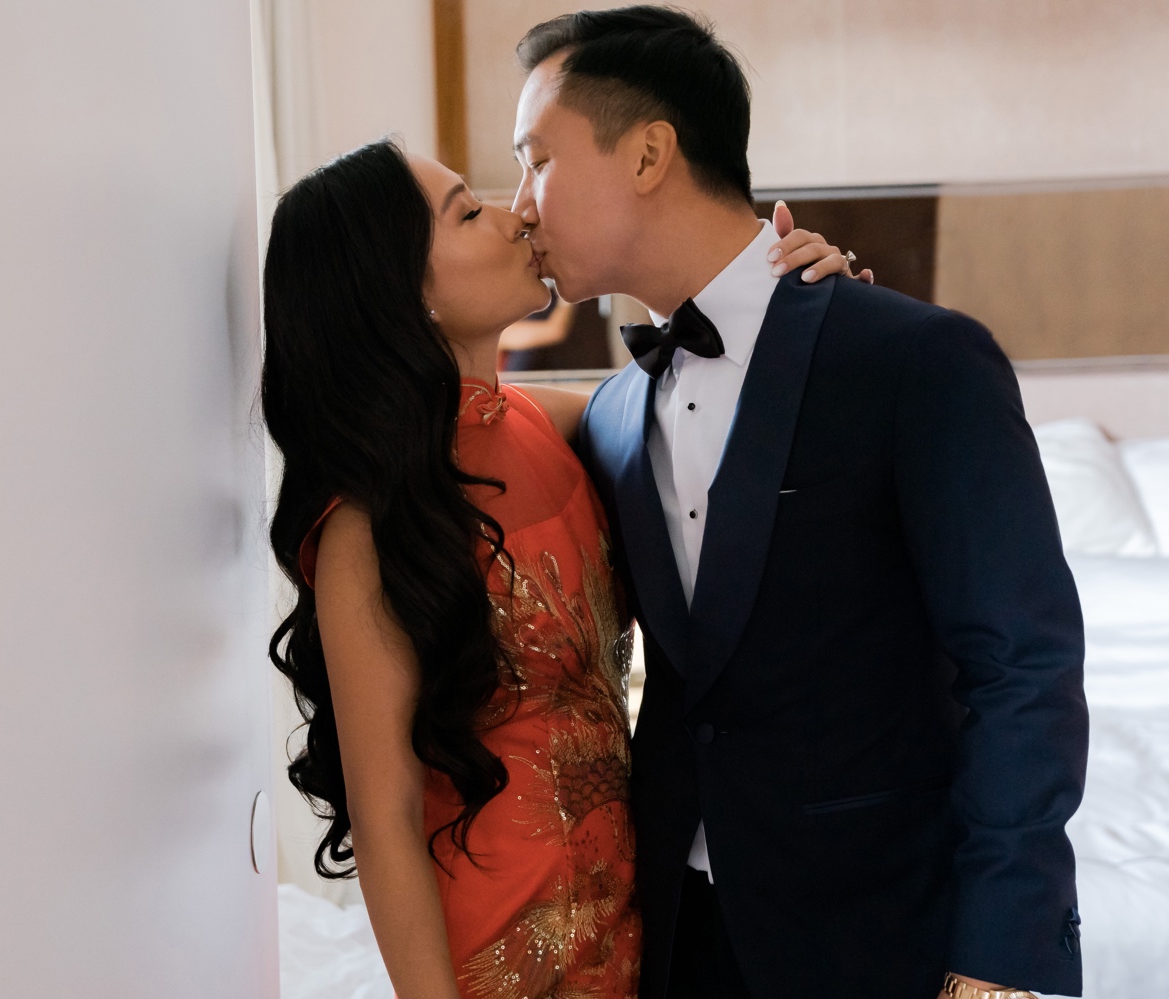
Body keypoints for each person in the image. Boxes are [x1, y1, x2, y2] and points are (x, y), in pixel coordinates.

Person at [508, 8, 1088, 999]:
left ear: (648, 153)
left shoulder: (911, 360)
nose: (519, 204)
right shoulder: (608, 415)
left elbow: (1023, 664)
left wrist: (999, 953)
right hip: (673, 934)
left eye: (537, 161)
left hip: (880, 926)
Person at [262, 139, 857, 999]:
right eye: (469, 211)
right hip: (500, 947)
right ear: (406, 295)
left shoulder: (549, 420)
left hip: (633, 912)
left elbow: (704, 402)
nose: (517, 216)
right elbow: (385, 818)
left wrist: (809, 305)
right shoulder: (370, 525)